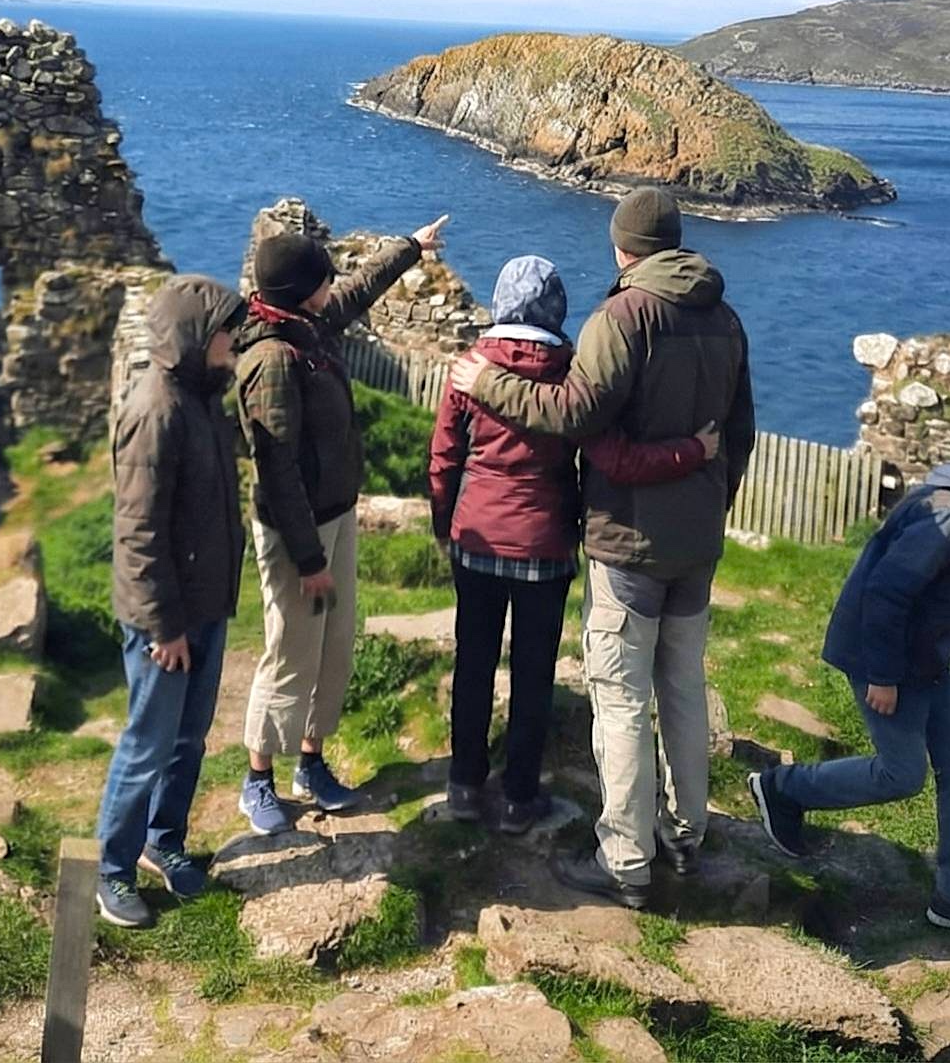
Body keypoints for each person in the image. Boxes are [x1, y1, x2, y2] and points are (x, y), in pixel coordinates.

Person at [449, 188, 753, 909]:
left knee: (619, 698)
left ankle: (625, 859)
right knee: (683, 689)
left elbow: (574, 413)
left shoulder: (623, 316)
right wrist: (711, 506)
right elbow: (739, 432)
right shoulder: (726, 317)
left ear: (623, 247)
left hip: (628, 540)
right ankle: (685, 835)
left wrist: (487, 382)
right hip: (696, 543)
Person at [430, 253, 721, 835]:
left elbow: (444, 459)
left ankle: (464, 785)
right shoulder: (573, 375)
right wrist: (692, 451)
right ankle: (520, 798)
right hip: (546, 544)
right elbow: (615, 459)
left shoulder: (470, 369)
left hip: (477, 540)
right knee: (534, 670)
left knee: (474, 661)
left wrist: (445, 526)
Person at [747, 440, 950, 936]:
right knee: (900, 774)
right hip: (883, 657)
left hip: (926, 660)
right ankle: (782, 789)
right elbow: (887, 592)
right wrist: (883, 676)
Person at [237, 212, 451, 835]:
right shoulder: (273, 358)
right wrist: (309, 560)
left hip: (336, 514)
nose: (332, 285)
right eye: (322, 279)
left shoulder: (307, 326)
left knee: (334, 647)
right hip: (295, 534)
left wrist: (411, 247)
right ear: (300, 290)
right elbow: (278, 472)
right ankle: (258, 779)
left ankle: (311, 763)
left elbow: (357, 290)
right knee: (290, 652)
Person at [92, 274, 247, 929]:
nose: (235, 341)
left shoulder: (201, 398)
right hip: (167, 617)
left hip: (204, 602)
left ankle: (163, 841)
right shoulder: (156, 411)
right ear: (196, 337)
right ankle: (111, 871)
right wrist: (164, 627)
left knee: (188, 738)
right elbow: (138, 533)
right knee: (148, 744)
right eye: (227, 332)